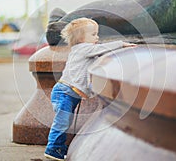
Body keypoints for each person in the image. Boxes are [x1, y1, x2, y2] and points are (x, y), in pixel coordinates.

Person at [44, 17, 136, 160]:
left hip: (69, 93)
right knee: (62, 122)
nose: (97, 37)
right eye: (93, 34)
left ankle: (60, 148)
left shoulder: (84, 50)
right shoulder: (83, 49)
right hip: (64, 92)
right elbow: (101, 49)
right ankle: (52, 149)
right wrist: (122, 45)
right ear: (81, 39)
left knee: (65, 121)